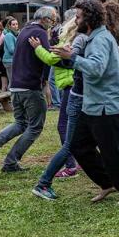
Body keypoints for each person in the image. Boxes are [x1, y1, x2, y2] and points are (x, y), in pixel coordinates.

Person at [52, 0, 119, 205]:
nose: (76, 20)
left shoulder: (100, 39)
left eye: (79, 16)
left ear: (89, 18)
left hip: (107, 105)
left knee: (110, 151)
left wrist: (73, 57)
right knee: (78, 145)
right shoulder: (93, 38)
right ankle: (107, 183)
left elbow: (96, 68)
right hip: (94, 105)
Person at [0, 7, 57, 172]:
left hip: (16, 85)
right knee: (35, 126)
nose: (52, 24)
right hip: (31, 86)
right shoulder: (39, 33)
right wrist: (45, 83)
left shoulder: (24, 31)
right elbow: (46, 59)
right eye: (52, 21)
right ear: (45, 19)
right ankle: (11, 162)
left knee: (21, 122)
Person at [29, 14, 81, 180]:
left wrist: (37, 47)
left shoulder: (69, 42)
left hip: (70, 85)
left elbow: (51, 59)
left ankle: (71, 166)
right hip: (72, 84)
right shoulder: (73, 41)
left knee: (63, 126)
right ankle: (81, 161)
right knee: (78, 127)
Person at [2, 18, 19, 88]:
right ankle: (11, 98)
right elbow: (11, 50)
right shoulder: (9, 35)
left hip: (12, 60)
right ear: (9, 26)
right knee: (12, 81)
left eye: (16, 24)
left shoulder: (14, 35)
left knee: (14, 81)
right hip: (9, 60)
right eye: (13, 24)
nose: (15, 26)